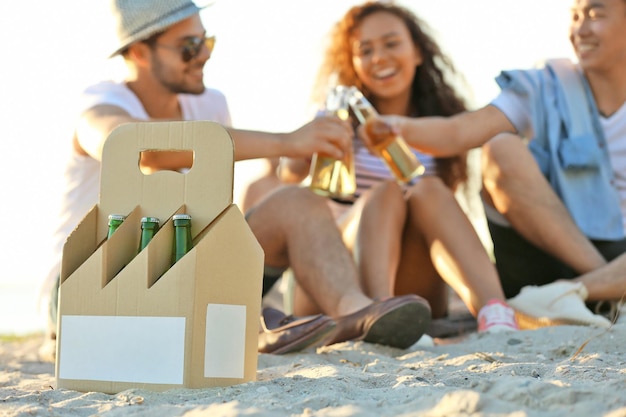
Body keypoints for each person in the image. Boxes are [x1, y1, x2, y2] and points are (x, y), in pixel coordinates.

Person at [40, 0, 433, 361]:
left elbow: (211, 209)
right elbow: (140, 150)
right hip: (95, 280)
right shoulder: (100, 105)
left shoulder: (211, 104)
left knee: (296, 202)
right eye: (189, 46)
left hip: (183, 270)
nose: (205, 55)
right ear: (139, 52)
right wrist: (287, 142)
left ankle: (356, 313)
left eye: (206, 41)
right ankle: (253, 326)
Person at [359, 0, 626, 325]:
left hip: (615, 256)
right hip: (546, 256)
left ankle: (576, 292)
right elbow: (458, 131)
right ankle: (606, 290)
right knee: (500, 147)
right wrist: (397, 128)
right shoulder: (541, 87)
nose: (580, 30)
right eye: (575, 16)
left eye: (595, 15)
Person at [279, 2, 519, 333]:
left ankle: (495, 312)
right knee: (385, 193)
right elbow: (289, 177)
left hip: (414, 283)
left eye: (391, 44)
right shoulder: (338, 121)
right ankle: (378, 316)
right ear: (353, 62)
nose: (379, 58)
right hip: (335, 279)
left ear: (417, 52)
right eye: (366, 50)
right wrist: (305, 147)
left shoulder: (439, 129)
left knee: (430, 188)